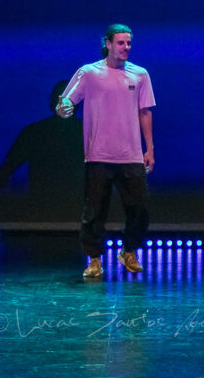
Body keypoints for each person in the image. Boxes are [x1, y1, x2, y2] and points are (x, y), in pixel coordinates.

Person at [57, 24, 155, 279]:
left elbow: (145, 112)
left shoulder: (140, 74)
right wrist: (64, 109)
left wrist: (149, 148)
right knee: (94, 211)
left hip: (131, 154)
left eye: (129, 43)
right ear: (108, 44)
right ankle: (94, 260)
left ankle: (129, 251)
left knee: (139, 208)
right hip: (98, 154)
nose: (126, 47)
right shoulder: (89, 72)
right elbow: (66, 104)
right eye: (121, 42)